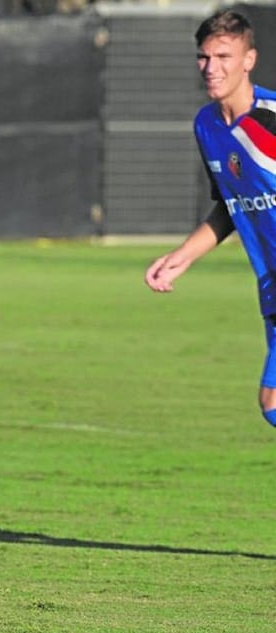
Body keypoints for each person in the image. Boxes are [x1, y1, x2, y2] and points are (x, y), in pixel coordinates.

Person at [146, 9, 276, 428]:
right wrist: (182, 257)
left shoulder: (270, 122)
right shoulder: (207, 125)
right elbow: (230, 207)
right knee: (272, 402)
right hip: (270, 279)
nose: (211, 67)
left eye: (223, 56)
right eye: (204, 57)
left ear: (248, 60)